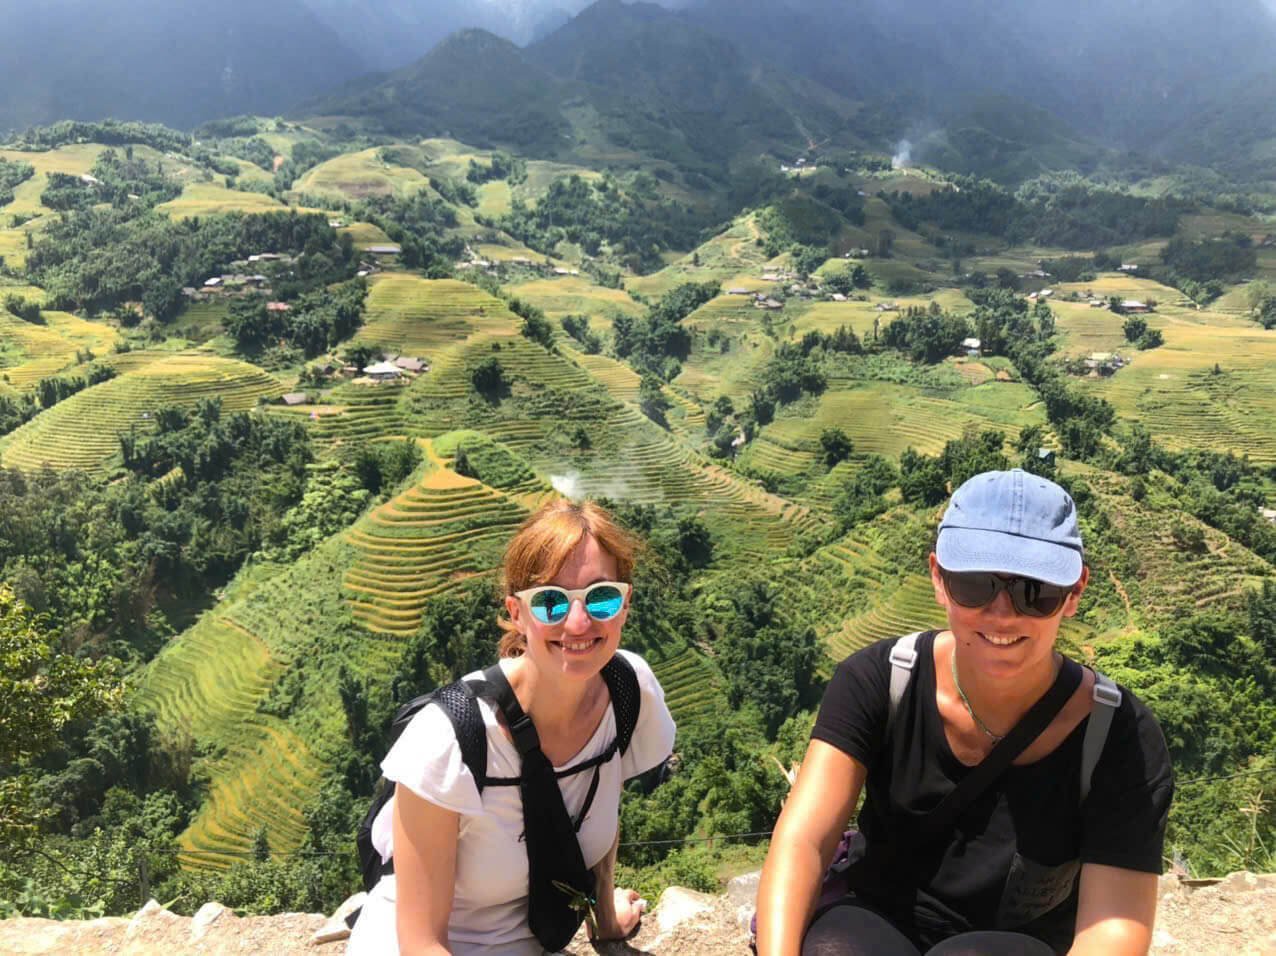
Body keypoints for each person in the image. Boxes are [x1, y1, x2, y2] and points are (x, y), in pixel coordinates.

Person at [756, 469, 1173, 956]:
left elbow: (1114, 929)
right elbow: (804, 841)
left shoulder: (1119, 736)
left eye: (1034, 589)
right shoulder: (880, 681)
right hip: (879, 920)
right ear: (938, 578)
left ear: (1075, 592)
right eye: (974, 584)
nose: (1002, 614)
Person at [349, 499, 676, 955]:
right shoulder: (449, 738)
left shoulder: (627, 689)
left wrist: (606, 920)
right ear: (516, 612)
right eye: (550, 602)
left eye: (601, 596)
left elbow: (601, 803)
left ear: (625, 604)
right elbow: (421, 944)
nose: (578, 622)